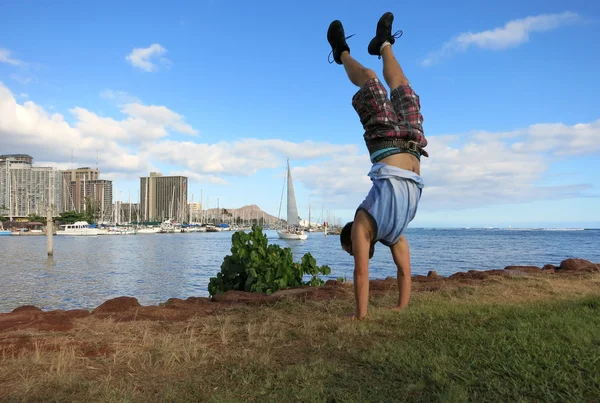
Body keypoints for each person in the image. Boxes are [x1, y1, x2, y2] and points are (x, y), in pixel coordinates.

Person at [327, 12, 428, 319]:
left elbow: (360, 275)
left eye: (354, 251)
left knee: (371, 80)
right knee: (404, 87)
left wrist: (360, 316)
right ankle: (383, 43)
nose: (359, 254)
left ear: (352, 242)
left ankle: (341, 52)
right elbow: (404, 273)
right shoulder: (395, 233)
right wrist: (401, 307)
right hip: (413, 142)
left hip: (385, 142)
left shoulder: (361, 223)